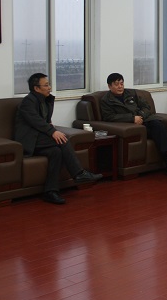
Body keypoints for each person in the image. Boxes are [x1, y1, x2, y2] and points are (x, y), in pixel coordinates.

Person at [14, 73, 103, 205]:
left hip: (39, 138)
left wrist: (50, 127)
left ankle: (50, 192)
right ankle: (79, 173)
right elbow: (35, 120)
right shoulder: (28, 101)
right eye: (46, 85)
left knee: (56, 152)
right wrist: (52, 132)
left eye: (49, 84)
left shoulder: (45, 100)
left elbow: (45, 121)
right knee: (62, 139)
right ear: (36, 88)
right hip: (29, 140)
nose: (49, 87)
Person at [100, 73, 167, 178]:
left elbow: (146, 106)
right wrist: (132, 118)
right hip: (132, 126)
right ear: (109, 86)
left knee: (159, 127)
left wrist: (141, 116)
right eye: (116, 84)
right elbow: (109, 117)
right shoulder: (106, 100)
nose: (120, 86)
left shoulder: (132, 93)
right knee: (161, 133)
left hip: (146, 120)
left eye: (121, 83)